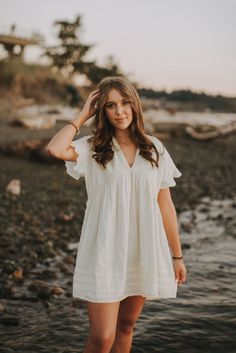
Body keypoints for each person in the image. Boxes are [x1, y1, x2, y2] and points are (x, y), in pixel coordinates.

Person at [46, 76, 187, 353]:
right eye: (110, 106)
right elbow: (55, 149)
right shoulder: (94, 148)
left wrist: (177, 256)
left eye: (125, 103)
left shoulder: (155, 148)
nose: (119, 111)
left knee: (126, 327)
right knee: (101, 339)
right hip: (104, 252)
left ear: (135, 106)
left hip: (142, 249)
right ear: (102, 111)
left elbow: (165, 205)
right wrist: (83, 114)